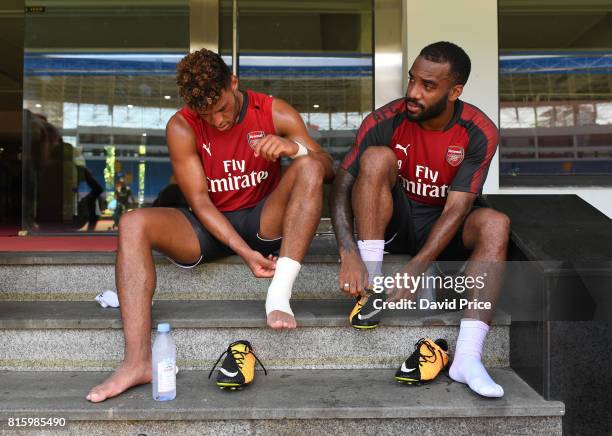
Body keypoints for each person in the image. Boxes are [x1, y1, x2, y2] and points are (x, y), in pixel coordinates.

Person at [86, 49, 333, 402]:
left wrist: (293, 148)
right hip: (209, 224)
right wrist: (244, 252)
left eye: (222, 108)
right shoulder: (182, 125)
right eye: (207, 114)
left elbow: (329, 168)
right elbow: (200, 201)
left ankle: (279, 295)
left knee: (309, 167)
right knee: (132, 223)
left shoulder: (273, 110)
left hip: (264, 217)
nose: (217, 121)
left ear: (233, 83)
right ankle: (137, 361)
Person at [330, 41, 509, 398]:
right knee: (378, 158)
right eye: (412, 80)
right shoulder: (384, 120)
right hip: (391, 222)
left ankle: (468, 358)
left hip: (444, 226)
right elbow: (340, 187)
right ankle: (373, 287)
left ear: (455, 91)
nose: (413, 93)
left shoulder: (479, 130)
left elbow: (458, 209)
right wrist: (347, 251)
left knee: (496, 223)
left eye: (428, 86)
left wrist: (416, 268)